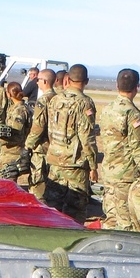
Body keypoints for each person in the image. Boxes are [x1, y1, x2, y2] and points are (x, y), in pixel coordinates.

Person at [98, 68, 140, 229]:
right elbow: (138, 145)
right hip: (126, 174)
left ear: (117, 85)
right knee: (125, 220)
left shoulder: (108, 109)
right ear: (137, 87)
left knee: (111, 215)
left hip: (109, 171)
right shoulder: (132, 113)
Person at [43, 63, 97, 221]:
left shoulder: (55, 100)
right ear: (86, 81)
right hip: (75, 164)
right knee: (75, 208)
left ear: (68, 79)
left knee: (52, 206)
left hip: (55, 159)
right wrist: (93, 166)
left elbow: (50, 130)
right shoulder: (84, 103)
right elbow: (87, 137)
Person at [25, 68, 58, 199]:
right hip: (53, 146)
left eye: (38, 79)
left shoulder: (43, 100)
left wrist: (28, 145)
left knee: (37, 183)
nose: (36, 82)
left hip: (41, 146)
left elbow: (38, 126)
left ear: (44, 81)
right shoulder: (57, 99)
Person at [0, 80, 33, 185]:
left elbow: (14, 133)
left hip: (13, 152)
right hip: (11, 151)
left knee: (7, 184)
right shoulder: (18, 108)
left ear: (9, 94)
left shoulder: (19, 111)